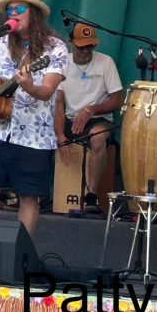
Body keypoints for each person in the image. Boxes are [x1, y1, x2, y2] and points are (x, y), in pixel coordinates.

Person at [0, 0, 68, 236]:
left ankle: (22, 253)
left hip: (34, 137)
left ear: (34, 13)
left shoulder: (55, 48)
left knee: (28, 196)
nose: (13, 14)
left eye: (19, 9)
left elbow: (48, 91)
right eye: (9, 10)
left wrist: (29, 86)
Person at [54, 23, 125, 214]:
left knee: (98, 137)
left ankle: (91, 196)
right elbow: (58, 103)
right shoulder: (62, 63)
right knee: (42, 134)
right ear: (71, 43)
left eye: (90, 46)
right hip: (70, 118)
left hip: (99, 117)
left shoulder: (105, 62)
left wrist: (91, 109)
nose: (85, 50)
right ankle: (42, 195)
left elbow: (117, 100)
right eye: (81, 46)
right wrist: (60, 135)